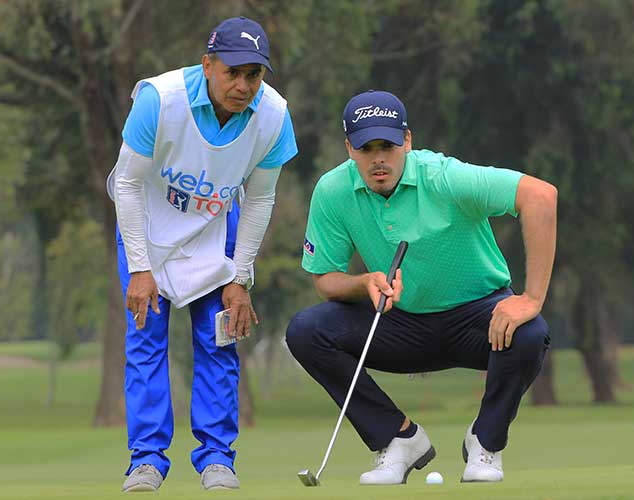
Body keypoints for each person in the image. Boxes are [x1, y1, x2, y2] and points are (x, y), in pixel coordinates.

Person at [286, 90, 557, 485]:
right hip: (400, 323)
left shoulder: (444, 177)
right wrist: (365, 282)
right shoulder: (333, 192)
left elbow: (540, 196)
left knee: (531, 331)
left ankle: (486, 442)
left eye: (388, 146)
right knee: (307, 331)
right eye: (366, 148)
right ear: (349, 148)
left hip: (478, 319)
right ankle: (397, 439)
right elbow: (325, 279)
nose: (378, 158)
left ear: (407, 141)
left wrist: (531, 298)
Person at [106, 16, 297, 492]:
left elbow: (260, 199)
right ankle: (146, 460)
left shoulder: (273, 115)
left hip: (216, 228)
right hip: (146, 228)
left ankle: (217, 458)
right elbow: (127, 184)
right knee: (146, 342)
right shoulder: (160, 99)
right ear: (207, 64)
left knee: (220, 341)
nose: (243, 85)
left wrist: (241, 276)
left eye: (254, 74)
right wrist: (140, 268)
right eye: (232, 71)